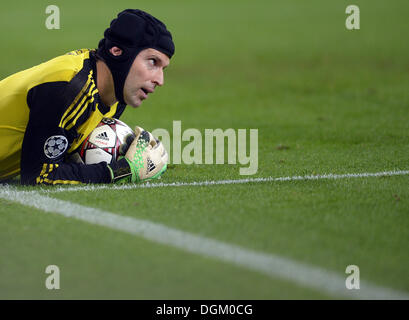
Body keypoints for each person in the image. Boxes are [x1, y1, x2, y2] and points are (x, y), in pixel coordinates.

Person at [0, 9, 175, 185]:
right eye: (153, 62)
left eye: (163, 68)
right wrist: (122, 170)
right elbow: (39, 175)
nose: (160, 80)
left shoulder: (113, 95)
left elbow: (64, 156)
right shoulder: (67, 88)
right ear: (117, 51)